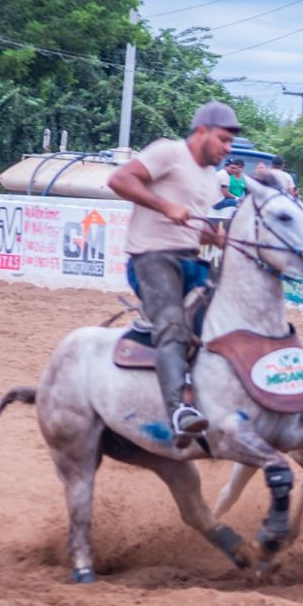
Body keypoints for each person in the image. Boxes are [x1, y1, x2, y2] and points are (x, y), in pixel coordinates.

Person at [107, 100, 238, 447]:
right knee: (173, 324)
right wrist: (165, 206)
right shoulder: (169, 152)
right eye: (223, 140)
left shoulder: (211, 180)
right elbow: (119, 179)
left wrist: (210, 235)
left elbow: (190, 223)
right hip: (150, 258)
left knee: (227, 323)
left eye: (230, 143)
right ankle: (179, 411)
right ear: (201, 132)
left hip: (189, 260)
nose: (227, 149)